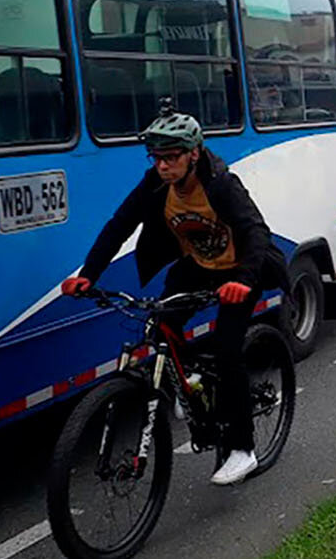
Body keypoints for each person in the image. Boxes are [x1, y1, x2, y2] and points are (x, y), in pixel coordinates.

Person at [61, 108, 288, 486]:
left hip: (241, 270)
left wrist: (245, 280)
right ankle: (194, 382)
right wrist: (87, 276)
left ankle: (242, 449)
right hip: (198, 266)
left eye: (171, 157)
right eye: (157, 157)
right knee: (160, 325)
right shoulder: (155, 183)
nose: (163, 165)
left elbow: (256, 231)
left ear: (193, 154)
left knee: (228, 349)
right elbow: (119, 226)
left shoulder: (221, 184)